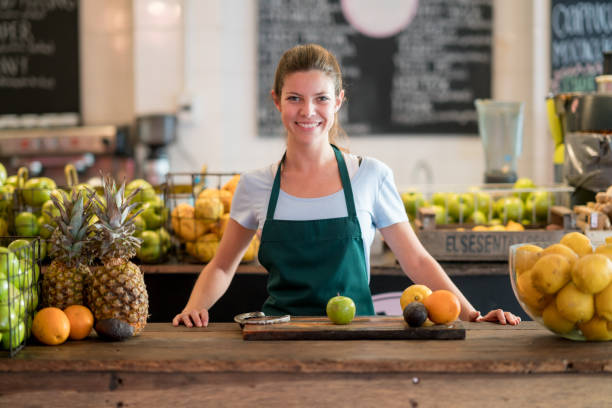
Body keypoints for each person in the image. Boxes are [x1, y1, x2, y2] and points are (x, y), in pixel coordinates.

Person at [173, 43, 521, 327]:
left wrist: (471, 314)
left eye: (321, 98)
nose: (308, 110)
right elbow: (221, 266)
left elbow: (416, 260)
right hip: (277, 340)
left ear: (338, 101)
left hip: (357, 342)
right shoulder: (254, 185)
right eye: (294, 98)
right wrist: (192, 308)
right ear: (276, 100)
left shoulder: (370, 176)